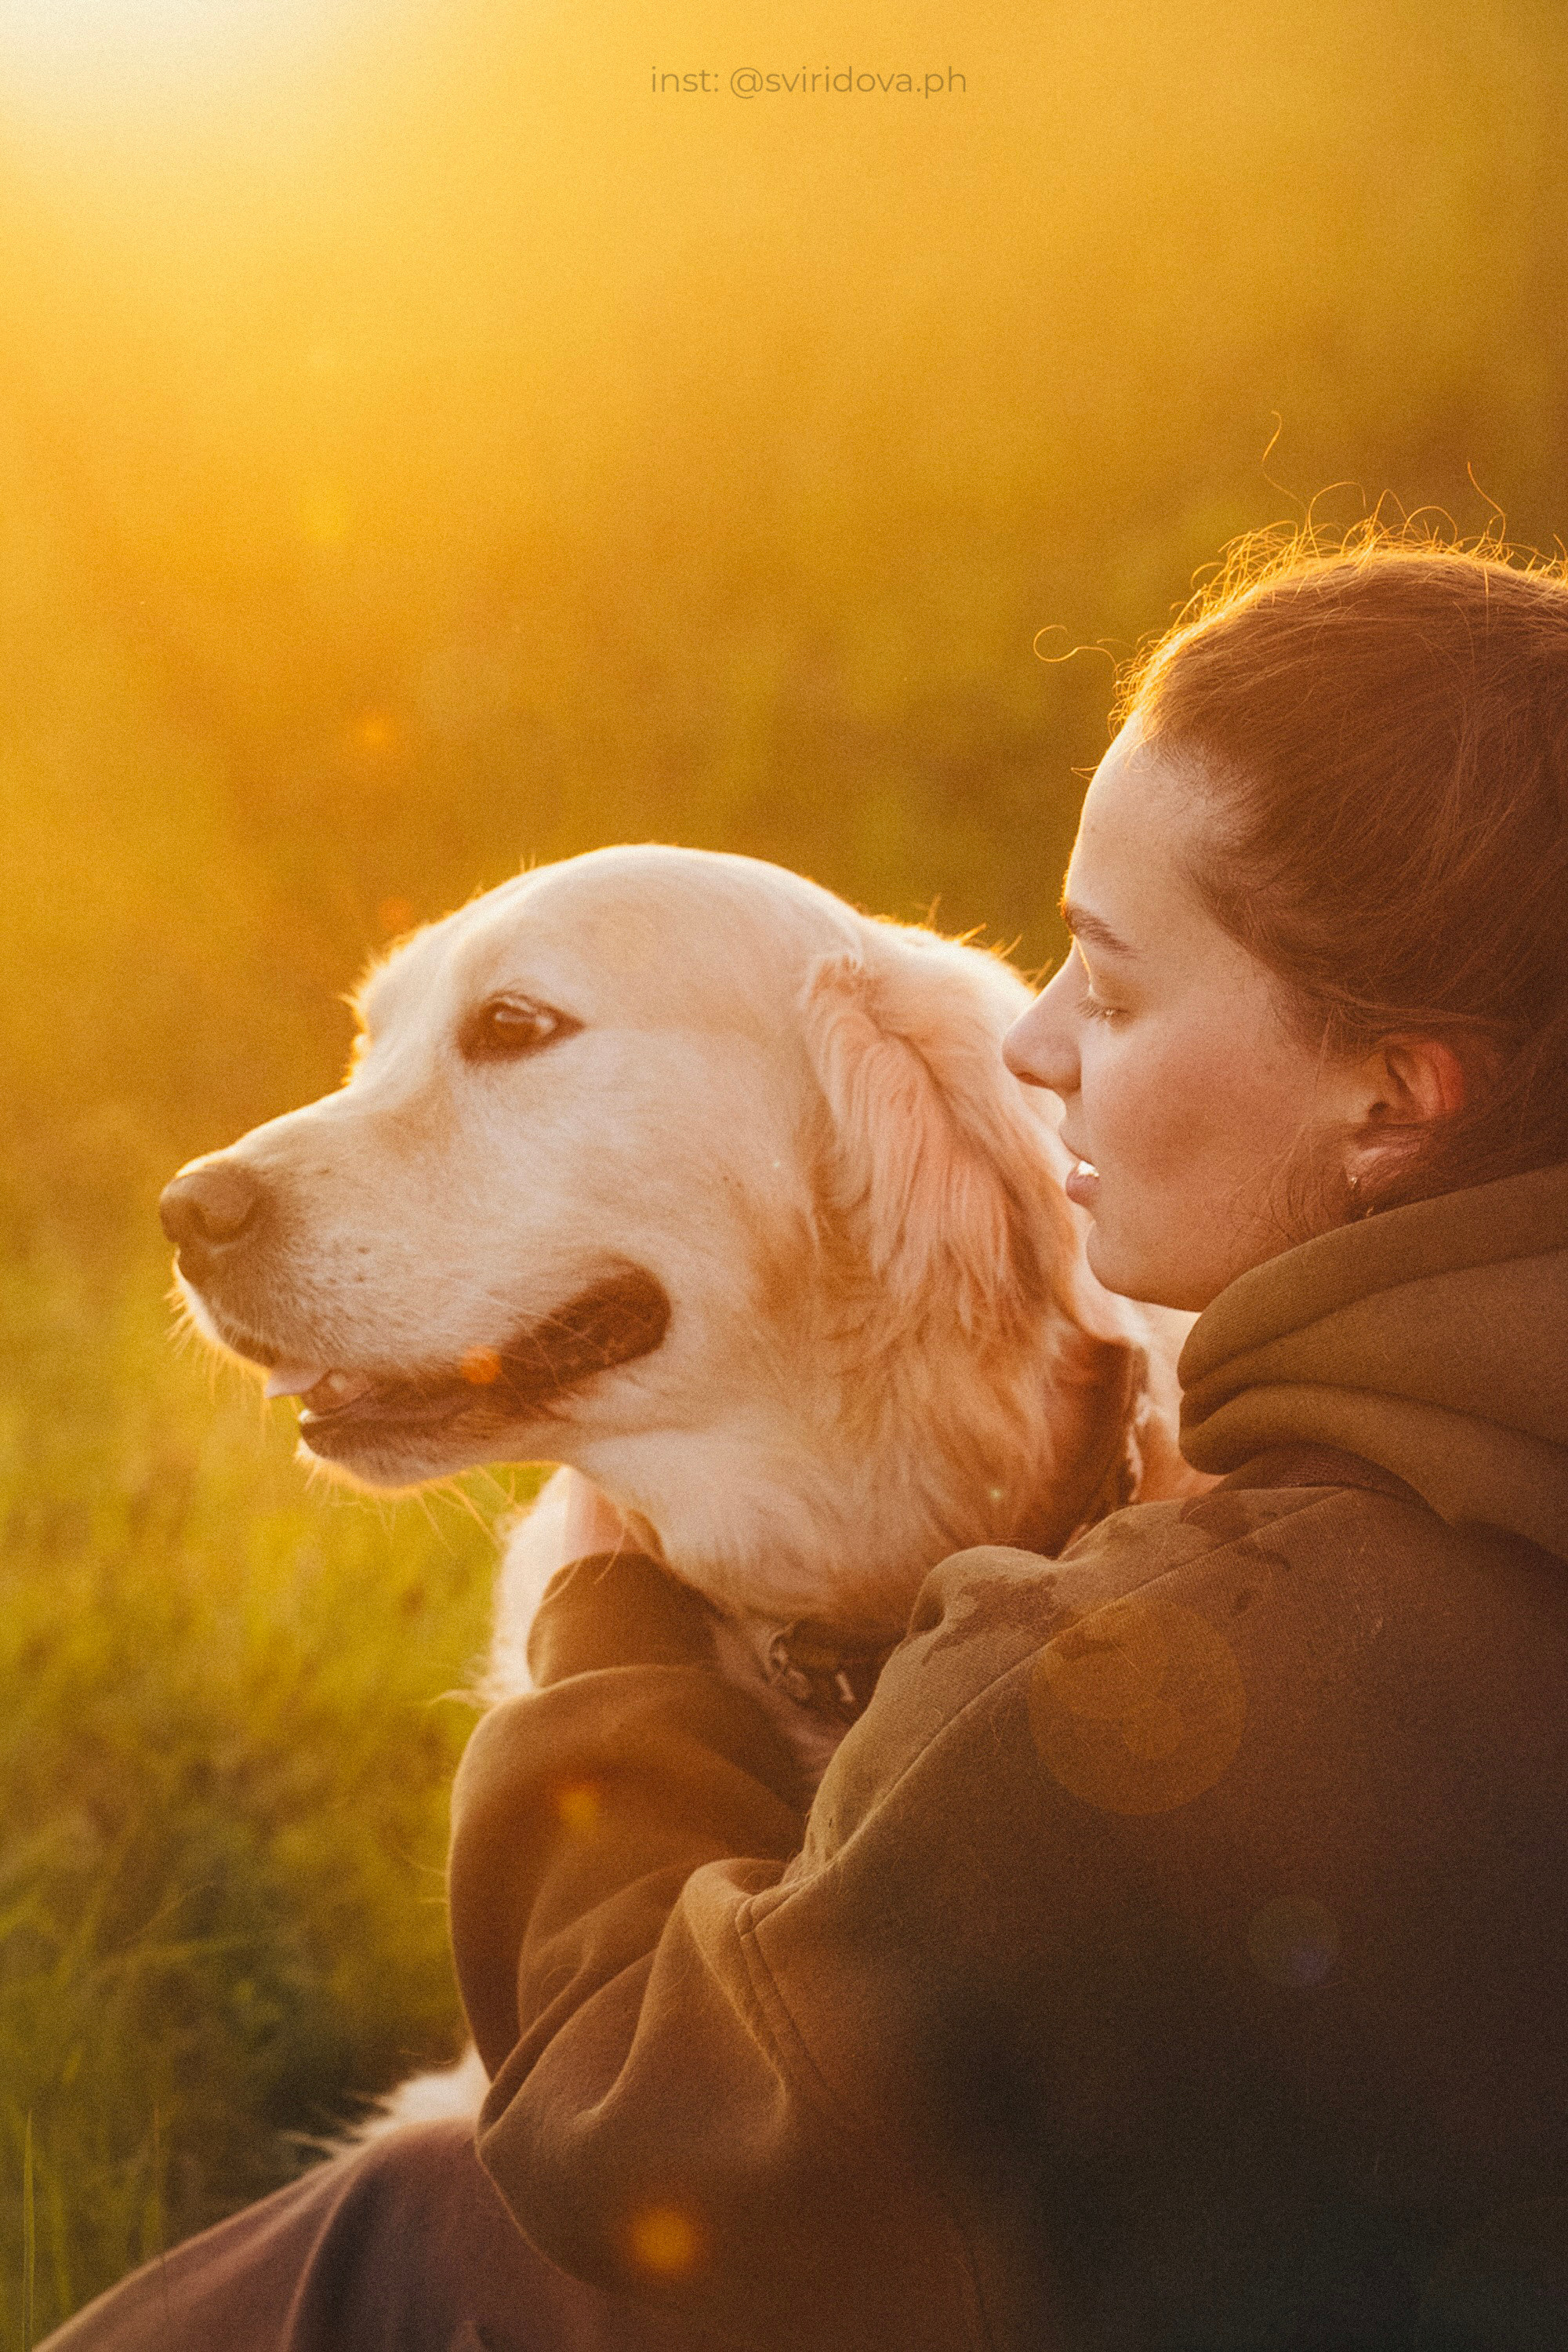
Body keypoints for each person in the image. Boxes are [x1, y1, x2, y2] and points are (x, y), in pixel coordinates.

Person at [46, 533, 1568, 2350]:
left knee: (438, 2215)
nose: (1038, 1041)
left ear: (1394, 1094)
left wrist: (601, 1617)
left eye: (1114, 980)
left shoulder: (1192, 1667)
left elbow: (651, 2139)